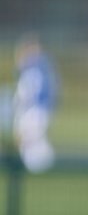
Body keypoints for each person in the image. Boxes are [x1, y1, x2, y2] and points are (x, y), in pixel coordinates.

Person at [11, 35, 58, 173]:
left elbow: (27, 92)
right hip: (39, 110)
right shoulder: (43, 66)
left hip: (34, 111)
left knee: (28, 138)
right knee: (33, 138)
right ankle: (41, 165)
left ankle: (37, 165)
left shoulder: (35, 68)